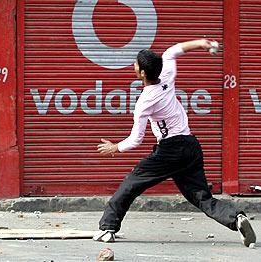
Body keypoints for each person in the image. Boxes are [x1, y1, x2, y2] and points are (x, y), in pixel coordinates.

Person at [93, 39, 256, 247]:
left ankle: (107, 228)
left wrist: (115, 147)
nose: (133, 66)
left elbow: (136, 140)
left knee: (131, 183)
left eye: (135, 64)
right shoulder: (167, 74)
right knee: (201, 197)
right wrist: (203, 43)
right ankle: (236, 218)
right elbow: (174, 50)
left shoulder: (145, 101)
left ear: (142, 73)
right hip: (191, 145)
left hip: (171, 150)